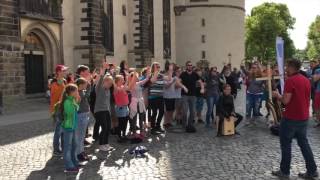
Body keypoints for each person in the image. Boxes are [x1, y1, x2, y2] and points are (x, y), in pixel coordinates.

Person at [272, 59, 318, 179]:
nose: (285, 69)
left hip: (291, 118)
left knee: (286, 145)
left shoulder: (290, 80)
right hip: (303, 117)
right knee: (304, 144)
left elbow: (286, 101)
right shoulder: (305, 80)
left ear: (292, 67)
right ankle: (312, 170)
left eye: (287, 66)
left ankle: (284, 171)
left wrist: (277, 95)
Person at [93, 62, 114, 151]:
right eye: (108, 83)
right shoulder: (99, 88)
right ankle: (101, 145)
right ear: (105, 82)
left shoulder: (108, 90)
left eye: (111, 84)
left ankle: (106, 143)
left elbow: (108, 102)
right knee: (104, 127)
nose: (110, 85)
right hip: (99, 111)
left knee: (108, 127)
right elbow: (101, 78)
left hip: (106, 110)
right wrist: (104, 69)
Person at [60, 84, 80, 173]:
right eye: (76, 91)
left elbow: (77, 108)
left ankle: (74, 161)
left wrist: (76, 102)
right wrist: (75, 103)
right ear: (71, 92)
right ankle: (68, 165)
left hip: (73, 126)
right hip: (68, 127)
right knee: (67, 147)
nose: (77, 92)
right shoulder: (67, 102)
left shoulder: (71, 100)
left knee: (74, 145)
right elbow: (69, 113)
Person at [180, 61, 204, 131]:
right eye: (188, 65)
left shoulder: (195, 74)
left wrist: (202, 88)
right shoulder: (183, 74)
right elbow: (178, 82)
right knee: (184, 111)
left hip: (193, 95)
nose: (189, 66)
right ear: (186, 66)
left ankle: (190, 125)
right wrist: (183, 87)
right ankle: (184, 125)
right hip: (185, 95)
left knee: (193, 112)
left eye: (191, 65)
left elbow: (201, 82)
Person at [51, 65, 68, 156]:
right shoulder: (54, 83)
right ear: (58, 72)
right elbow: (56, 96)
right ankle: (56, 149)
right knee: (58, 130)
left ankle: (63, 147)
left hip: (63, 108)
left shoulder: (64, 81)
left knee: (63, 130)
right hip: (57, 109)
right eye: (63, 71)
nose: (65, 72)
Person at [75, 78, 90, 162]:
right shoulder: (79, 93)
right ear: (80, 85)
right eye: (85, 84)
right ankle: (79, 153)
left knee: (81, 136)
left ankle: (81, 152)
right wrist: (89, 86)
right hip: (80, 115)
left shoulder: (82, 91)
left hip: (84, 115)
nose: (86, 85)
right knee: (79, 136)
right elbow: (86, 95)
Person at [113, 75, 130, 143]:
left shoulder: (123, 86)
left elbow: (128, 88)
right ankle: (119, 136)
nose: (123, 80)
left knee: (125, 122)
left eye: (123, 79)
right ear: (117, 81)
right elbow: (122, 90)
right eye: (121, 79)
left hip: (125, 107)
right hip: (120, 108)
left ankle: (123, 135)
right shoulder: (116, 88)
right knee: (121, 122)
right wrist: (127, 80)